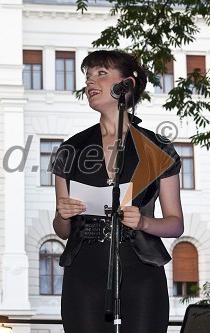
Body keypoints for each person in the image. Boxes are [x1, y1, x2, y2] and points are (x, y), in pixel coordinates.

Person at [52, 50, 183, 333]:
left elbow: (175, 223)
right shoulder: (71, 149)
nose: (90, 82)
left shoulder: (157, 148)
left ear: (128, 84)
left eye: (101, 73)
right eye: (87, 76)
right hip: (84, 269)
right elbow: (62, 231)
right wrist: (64, 214)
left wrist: (145, 222)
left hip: (142, 269)